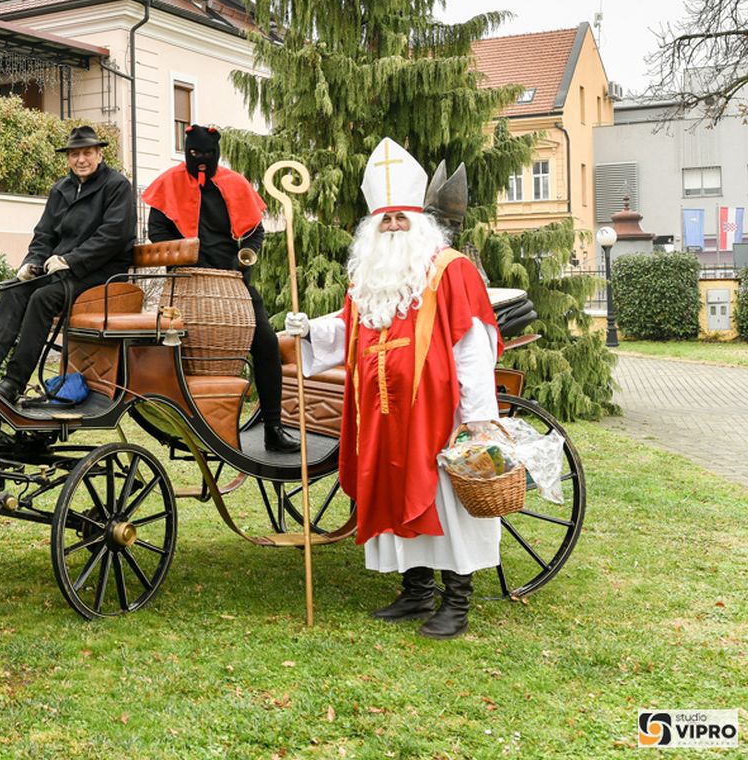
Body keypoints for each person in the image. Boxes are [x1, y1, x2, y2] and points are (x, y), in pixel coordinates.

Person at [283, 137, 502, 639]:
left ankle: (457, 600)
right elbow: (353, 327)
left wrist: (476, 420)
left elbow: (473, 343)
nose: (394, 225)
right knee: (395, 493)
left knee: (448, 502)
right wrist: (309, 330)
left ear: (419, 222)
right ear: (372, 227)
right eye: (386, 219)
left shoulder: (451, 270)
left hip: (439, 415)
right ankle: (415, 590)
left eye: (402, 217)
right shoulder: (370, 280)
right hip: (382, 414)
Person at [143, 124, 299, 454]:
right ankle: (182, 419)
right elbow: (156, 230)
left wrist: (244, 263)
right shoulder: (169, 183)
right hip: (185, 284)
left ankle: (273, 426)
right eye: (193, 154)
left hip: (232, 284)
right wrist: (181, 256)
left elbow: (256, 231)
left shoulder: (234, 183)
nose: (199, 160)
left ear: (217, 154)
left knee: (267, 343)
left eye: (206, 155)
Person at [0, 125, 135, 404]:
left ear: (99, 155)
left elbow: (112, 237)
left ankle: (13, 382)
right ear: (68, 158)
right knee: (15, 288)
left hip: (102, 274)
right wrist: (31, 262)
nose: (81, 159)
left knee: (43, 298)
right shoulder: (61, 188)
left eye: (87, 153)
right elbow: (44, 235)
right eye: (75, 154)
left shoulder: (117, 186)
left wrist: (70, 259)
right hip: (62, 272)